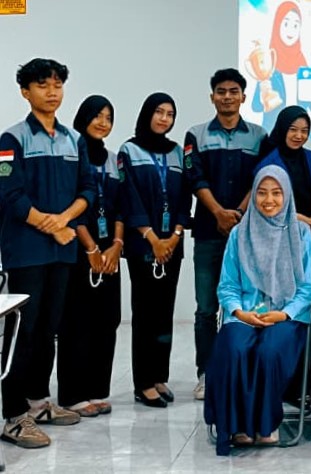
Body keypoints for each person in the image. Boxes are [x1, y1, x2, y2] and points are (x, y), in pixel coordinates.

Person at [0, 58, 95, 448]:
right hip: (26, 253)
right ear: (25, 92)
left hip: (61, 253)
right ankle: (12, 416)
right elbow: (9, 195)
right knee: (22, 334)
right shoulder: (12, 139)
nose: (52, 92)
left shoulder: (74, 140)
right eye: (42, 85)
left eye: (57, 84)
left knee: (47, 331)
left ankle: (38, 402)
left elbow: (88, 189)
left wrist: (65, 220)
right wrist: (52, 225)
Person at [204, 165, 311, 456]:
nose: (269, 200)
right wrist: (239, 313)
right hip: (244, 314)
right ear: (253, 195)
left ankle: (265, 424)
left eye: (277, 193)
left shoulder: (300, 233)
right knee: (234, 348)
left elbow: (306, 289)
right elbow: (227, 286)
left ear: (287, 195)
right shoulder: (239, 234)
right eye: (262, 193)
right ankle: (237, 424)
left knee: (269, 350)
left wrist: (284, 314)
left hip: (287, 315)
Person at [184, 68, 267, 400]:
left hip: (248, 234)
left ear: (244, 97)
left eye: (234, 91)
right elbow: (195, 177)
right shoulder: (196, 134)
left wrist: (239, 214)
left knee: (245, 304)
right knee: (206, 308)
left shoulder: (259, 136)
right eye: (221, 91)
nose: (227, 97)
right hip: (208, 232)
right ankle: (206, 373)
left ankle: (239, 368)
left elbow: (261, 179)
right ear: (212, 97)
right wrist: (218, 212)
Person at [119, 92, 191, 408]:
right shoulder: (129, 150)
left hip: (172, 245)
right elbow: (129, 196)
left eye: (170, 114)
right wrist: (152, 237)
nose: (164, 118)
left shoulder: (176, 152)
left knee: (165, 313)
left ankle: (160, 376)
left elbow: (185, 196)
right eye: (159, 112)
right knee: (145, 313)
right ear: (147, 113)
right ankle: (144, 383)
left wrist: (175, 236)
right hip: (142, 245)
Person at [57, 95, 122, 417]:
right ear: (84, 118)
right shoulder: (72, 154)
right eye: (97, 116)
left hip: (110, 251)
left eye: (108, 117)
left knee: (107, 319)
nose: (102, 122)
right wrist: (92, 249)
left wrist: (117, 245)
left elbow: (121, 205)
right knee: (77, 322)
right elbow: (73, 207)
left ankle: (97, 390)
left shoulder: (113, 159)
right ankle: (73, 395)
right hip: (81, 250)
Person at [252, 0, 311, 132]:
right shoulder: (268, 64)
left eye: (296, 25)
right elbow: (256, 106)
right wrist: (264, 93)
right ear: (277, 26)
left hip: (302, 136)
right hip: (273, 135)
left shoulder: (303, 66)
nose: (291, 30)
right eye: (286, 24)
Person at [255, 105, 311, 232]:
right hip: (278, 232)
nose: (299, 136)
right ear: (283, 129)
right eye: (293, 130)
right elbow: (263, 203)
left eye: (304, 131)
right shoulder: (267, 165)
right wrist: (296, 218)